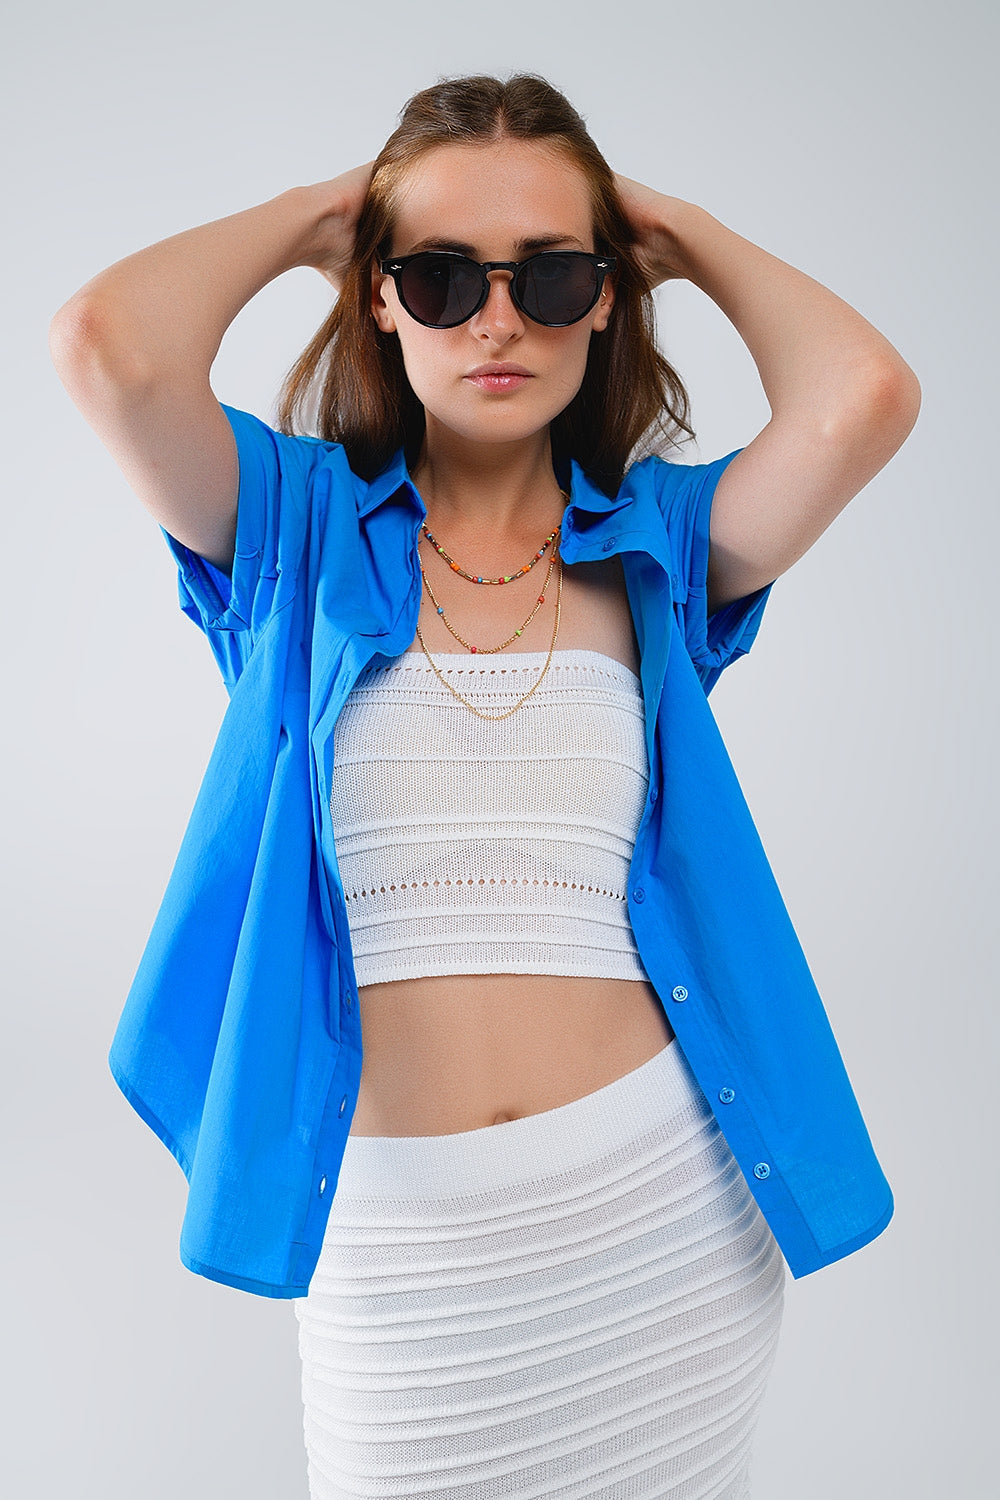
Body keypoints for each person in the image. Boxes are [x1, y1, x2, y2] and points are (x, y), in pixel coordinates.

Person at [49, 72, 919, 1500]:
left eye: (552, 274)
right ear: (379, 299)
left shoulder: (661, 546)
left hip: (663, 1218)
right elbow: (106, 350)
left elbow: (864, 398)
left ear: (608, 296)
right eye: (442, 276)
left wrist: (680, 233)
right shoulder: (293, 528)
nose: (498, 317)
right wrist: (323, 218)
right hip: (401, 1246)